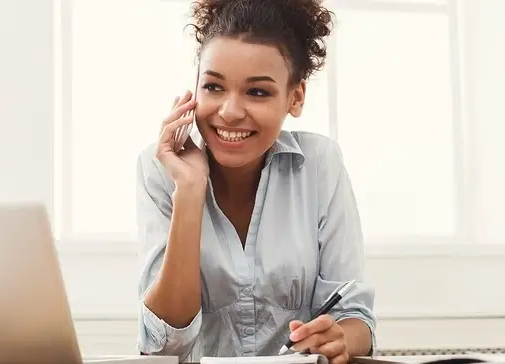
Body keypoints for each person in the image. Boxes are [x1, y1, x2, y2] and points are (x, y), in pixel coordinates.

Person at [134, 0, 376, 363]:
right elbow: (164, 347)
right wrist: (190, 190)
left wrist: (338, 337)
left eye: (257, 92)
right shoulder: (161, 169)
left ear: (295, 97)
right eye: (213, 87)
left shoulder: (320, 164)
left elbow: (356, 317)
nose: (230, 112)